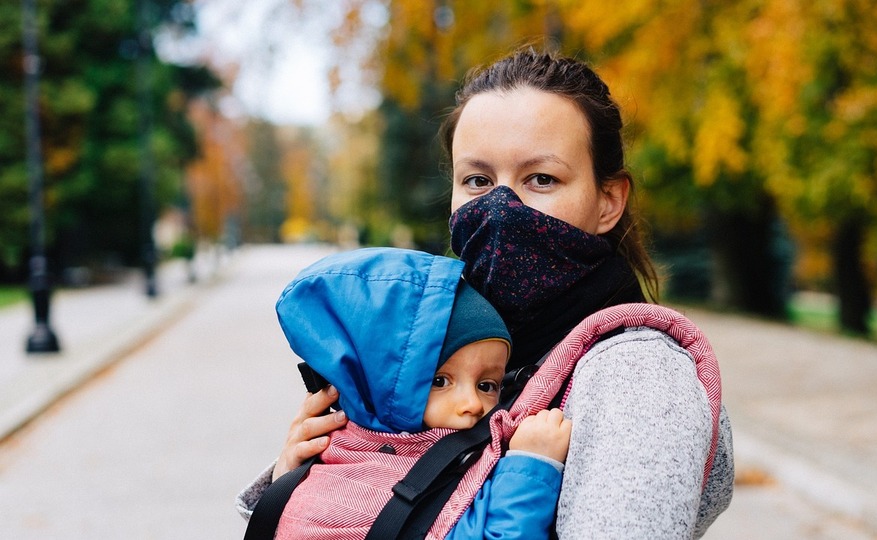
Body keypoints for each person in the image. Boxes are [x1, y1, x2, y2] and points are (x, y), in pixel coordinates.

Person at [239, 47, 734, 538]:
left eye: (541, 178)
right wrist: (302, 478)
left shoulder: (636, 375)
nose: (500, 207)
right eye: (478, 180)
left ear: (608, 202)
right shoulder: (441, 335)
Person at [251, 247, 572, 539]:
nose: (473, 404)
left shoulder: (466, 449)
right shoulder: (332, 491)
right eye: (440, 381)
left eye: (487, 386)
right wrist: (532, 467)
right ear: (378, 385)